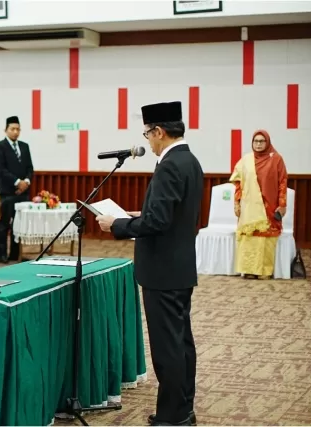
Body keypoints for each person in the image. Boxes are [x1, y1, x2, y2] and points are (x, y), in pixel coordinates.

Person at [95, 101, 202, 426]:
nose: (148, 140)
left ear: (158, 131)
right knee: (181, 342)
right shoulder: (190, 161)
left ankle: (172, 417)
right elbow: (174, 215)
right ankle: (182, 408)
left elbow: (158, 223)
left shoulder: (170, 164)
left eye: (147, 133)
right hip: (179, 267)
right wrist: (139, 216)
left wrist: (116, 225)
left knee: (168, 348)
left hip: (163, 272)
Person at [230, 130, 288, 279]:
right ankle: (248, 270)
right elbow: (238, 183)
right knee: (250, 237)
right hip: (249, 206)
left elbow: (282, 182)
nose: (258, 144)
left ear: (267, 142)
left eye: (262, 141)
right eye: (255, 141)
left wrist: (282, 204)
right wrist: (236, 202)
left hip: (268, 205)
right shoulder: (246, 160)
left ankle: (264, 271)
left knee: (264, 239)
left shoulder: (276, 159)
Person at [0, 116, 33, 263]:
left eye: (18, 129)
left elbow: (30, 168)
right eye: (13, 129)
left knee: (19, 224)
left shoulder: (24, 146)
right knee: (4, 225)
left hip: (23, 193)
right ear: (6, 130)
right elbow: (0, 169)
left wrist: (26, 182)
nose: (16, 132)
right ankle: (2, 254)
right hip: (8, 192)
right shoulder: (0, 146)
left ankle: (16, 254)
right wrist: (17, 182)